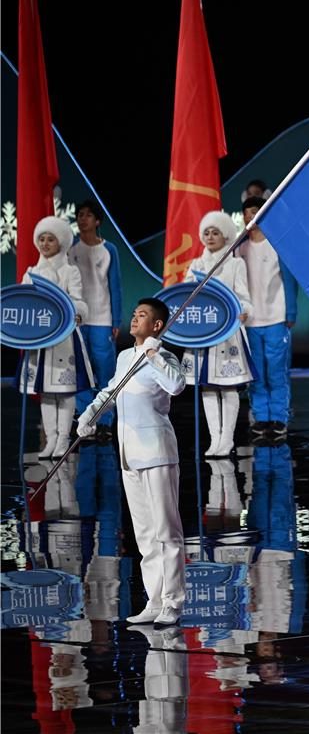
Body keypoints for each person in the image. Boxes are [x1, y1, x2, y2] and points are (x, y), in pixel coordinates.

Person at [77, 297, 186, 626]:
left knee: (167, 531)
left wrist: (153, 354)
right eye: (134, 314)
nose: (134, 319)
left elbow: (177, 385)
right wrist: (89, 415)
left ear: (157, 325)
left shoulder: (164, 356)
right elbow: (111, 391)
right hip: (129, 455)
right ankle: (155, 600)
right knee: (145, 535)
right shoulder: (125, 356)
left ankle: (173, 602)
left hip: (157, 453)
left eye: (142, 315)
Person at [180, 210, 254, 457]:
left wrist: (244, 311)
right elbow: (186, 296)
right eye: (207, 233)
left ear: (226, 236)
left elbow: (244, 298)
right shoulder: (196, 265)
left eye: (215, 233)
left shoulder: (235, 264)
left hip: (228, 333)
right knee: (208, 387)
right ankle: (215, 440)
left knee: (228, 386)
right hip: (203, 334)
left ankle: (227, 439)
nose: (210, 237)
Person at [20, 216, 93, 458]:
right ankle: (50, 440)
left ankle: (63, 439)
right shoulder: (31, 273)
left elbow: (79, 300)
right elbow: (24, 302)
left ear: (61, 242)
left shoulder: (70, 271)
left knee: (65, 390)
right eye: (41, 239)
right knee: (46, 391)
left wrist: (77, 312)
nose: (45, 243)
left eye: (50, 239)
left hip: (64, 339)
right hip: (40, 341)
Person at [238, 195, 298, 442]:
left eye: (255, 212)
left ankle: (279, 419)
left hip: (275, 318)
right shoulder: (239, 248)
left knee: (276, 372)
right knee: (257, 373)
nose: (250, 217)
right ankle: (261, 418)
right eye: (246, 213)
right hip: (250, 322)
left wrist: (290, 312)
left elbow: (290, 281)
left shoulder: (278, 245)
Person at [68, 200, 124, 440]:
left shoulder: (109, 249)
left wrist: (116, 321)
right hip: (78, 320)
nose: (83, 219)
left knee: (105, 372)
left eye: (88, 215)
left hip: (102, 320)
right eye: (80, 215)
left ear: (98, 221)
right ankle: (84, 418)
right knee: (82, 371)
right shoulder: (70, 248)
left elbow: (115, 286)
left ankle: (105, 421)